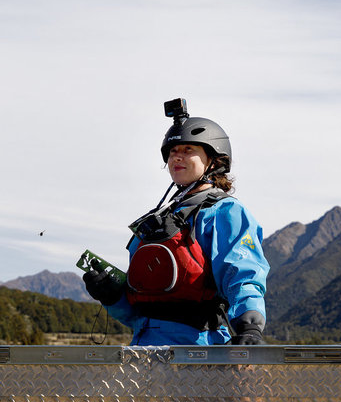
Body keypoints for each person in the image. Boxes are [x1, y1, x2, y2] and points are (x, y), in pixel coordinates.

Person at [83, 98, 268, 345]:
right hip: (144, 353)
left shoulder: (225, 211)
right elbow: (140, 314)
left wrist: (250, 326)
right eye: (173, 152)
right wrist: (112, 296)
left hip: (199, 352)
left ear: (215, 160)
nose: (177, 158)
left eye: (188, 150)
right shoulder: (155, 223)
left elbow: (242, 274)